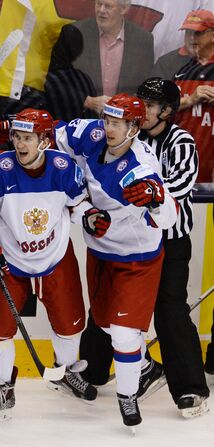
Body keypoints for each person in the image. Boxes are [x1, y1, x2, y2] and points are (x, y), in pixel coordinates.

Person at [78, 78, 210, 418]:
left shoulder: (180, 142)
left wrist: (147, 194)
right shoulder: (120, 134)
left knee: (169, 312)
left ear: (167, 110)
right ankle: (99, 372)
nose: (143, 111)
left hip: (168, 241)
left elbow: (175, 191)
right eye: (141, 103)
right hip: (124, 242)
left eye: (150, 106)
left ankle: (190, 389)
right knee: (104, 310)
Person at [0, 108, 105, 420]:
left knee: (70, 325)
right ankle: (2, 387)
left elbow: (77, 203)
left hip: (54, 256)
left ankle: (66, 371)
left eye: (27, 137)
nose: (19, 144)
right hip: (9, 260)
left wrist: (90, 217)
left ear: (44, 140)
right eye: (16, 136)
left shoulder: (63, 166)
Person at [55, 94, 178, 428]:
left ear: (135, 127)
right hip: (100, 251)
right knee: (108, 325)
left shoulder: (142, 167)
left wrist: (155, 199)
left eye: (118, 123)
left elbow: (169, 216)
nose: (109, 128)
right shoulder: (92, 133)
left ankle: (128, 396)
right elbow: (54, 135)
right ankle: (146, 368)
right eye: (107, 121)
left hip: (137, 258)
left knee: (124, 334)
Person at [50, 0, 154, 115]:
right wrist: (87, 101)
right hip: (79, 118)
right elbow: (54, 79)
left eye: (108, 6)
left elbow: (144, 85)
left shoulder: (143, 39)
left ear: (124, 9)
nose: (101, 10)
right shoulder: (73, 33)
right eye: (99, 4)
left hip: (123, 123)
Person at [173, 9, 214, 185]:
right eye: (188, 33)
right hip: (184, 166)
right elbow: (161, 110)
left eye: (197, 33)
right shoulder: (181, 74)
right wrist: (189, 100)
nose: (191, 38)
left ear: (212, 35)